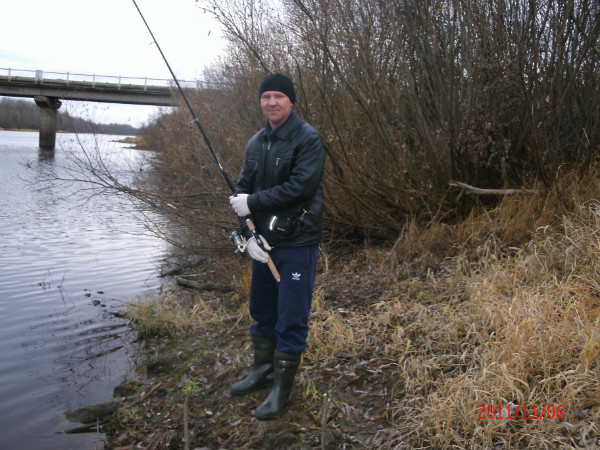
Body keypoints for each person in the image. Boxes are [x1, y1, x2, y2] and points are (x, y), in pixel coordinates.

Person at [229, 73, 326, 420]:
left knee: (290, 316)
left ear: (291, 100)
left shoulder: (308, 139)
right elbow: (241, 192)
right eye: (266, 96)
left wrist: (252, 202)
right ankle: (264, 371)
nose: (272, 102)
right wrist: (246, 236)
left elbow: (300, 188)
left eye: (279, 96)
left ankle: (281, 391)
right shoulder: (255, 142)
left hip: (297, 241)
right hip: (263, 243)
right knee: (262, 309)